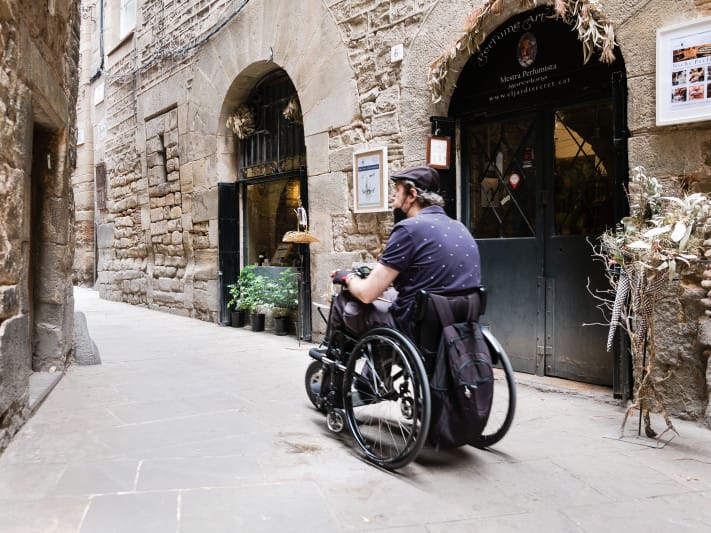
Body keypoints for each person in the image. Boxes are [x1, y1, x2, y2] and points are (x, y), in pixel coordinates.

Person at [328, 165, 482, 343]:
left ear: (412, 195)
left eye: (398, 190)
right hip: (459, 319)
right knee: (390, 296)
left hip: (417, 327)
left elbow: (367, 293)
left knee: (344, 301)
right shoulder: (460, 227)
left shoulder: (409, 229)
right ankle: (373, 370)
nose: (393, 196)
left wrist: (348, 277)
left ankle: (335, 368)